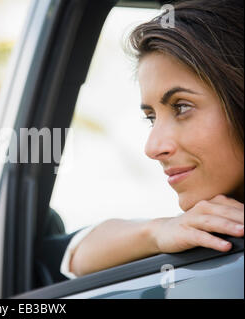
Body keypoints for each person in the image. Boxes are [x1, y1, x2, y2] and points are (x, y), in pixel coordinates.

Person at [59, 0, 244, 279]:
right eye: (151, 117)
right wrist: (160, 231)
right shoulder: (200, 232)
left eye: (181, 107)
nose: (153, 148)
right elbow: (76, 256)